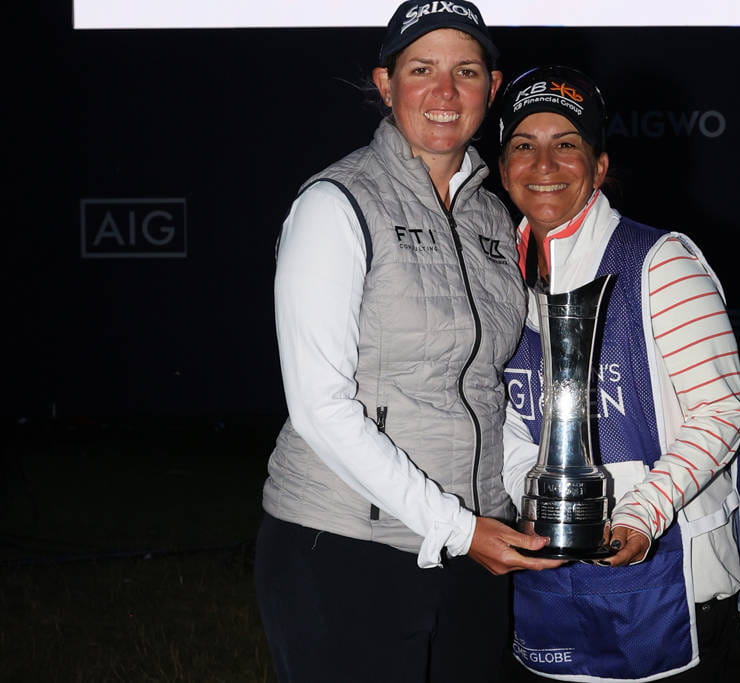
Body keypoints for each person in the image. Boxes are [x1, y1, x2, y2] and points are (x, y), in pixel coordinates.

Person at [253, 5, 564, 682]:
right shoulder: (336, 203)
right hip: (346, 547)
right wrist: (456, 526)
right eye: (422, 70)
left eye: (466, 72)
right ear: (386, 84)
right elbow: (319, 407)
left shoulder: (493, 215)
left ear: (492, 87)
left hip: (475, 547)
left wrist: (516, 502)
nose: (444, 93)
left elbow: (493, 386)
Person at [498, 66, 740, 682]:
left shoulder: (659, 262)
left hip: (673, 579)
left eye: (567, 145)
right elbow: (505, 416)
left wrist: (643, 513)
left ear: (600, 166)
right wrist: (524, 499)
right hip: (550, 586)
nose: (544, 164)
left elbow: (722, 412)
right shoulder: (498, 275)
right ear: (503, 167)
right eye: (524, 145)